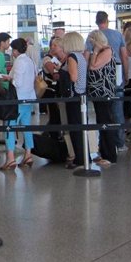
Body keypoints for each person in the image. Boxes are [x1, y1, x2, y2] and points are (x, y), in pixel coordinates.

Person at [87, 11, 128, 151]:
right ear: (107, 20)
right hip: (116, 75)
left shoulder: (93, 37)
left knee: (102, 114)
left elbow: (88, 57)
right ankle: (120, 142)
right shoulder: (117, 35)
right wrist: (125, 75)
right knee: (117, 111)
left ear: (96, 21)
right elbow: (124, 57)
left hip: (99, 80)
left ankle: (104, 143)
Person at [0, 38, 35, 171]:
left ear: (15, 50)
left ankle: (10, 158)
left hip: (18, 99)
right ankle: (28, 154)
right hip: (29, 98)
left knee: (10, 126)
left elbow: (18, 83)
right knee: (26, 127)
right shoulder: (29, 60)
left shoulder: (20, 62)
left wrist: (8, 78)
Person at [86, 30, 118, 167]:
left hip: (104, 91)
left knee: (106, 120)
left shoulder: (106, 51)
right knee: (101, 120)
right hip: (97, 91)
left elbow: (93, 66)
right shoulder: (100, 51)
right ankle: (103, 151)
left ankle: (110, 154)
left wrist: (95, 51)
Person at [59, 32, 87, 168]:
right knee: (81, 127)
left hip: (74, 95)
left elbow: (73, 77)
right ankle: (84, 157)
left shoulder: (71, 57)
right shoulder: (81, 56)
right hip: (81, 94)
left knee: (75, 127)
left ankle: (79, 159)